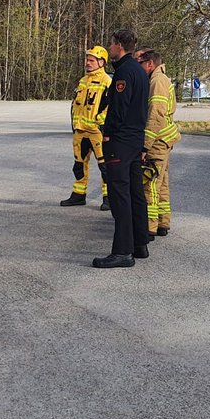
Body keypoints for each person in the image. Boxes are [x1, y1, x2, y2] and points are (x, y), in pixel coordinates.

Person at [92, 29, 150, 268]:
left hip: (121, 142)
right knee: (136, 193)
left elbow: (119, 109)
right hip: (135, 140)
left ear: (119, 46)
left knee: (120, 197)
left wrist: (107, 134)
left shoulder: (124, 72)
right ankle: (139, 244)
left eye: (111, 44)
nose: (109, 47)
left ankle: (122, 251)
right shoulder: (139, 70)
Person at [61, 46, 111, 209]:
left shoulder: (107, 82)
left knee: (105, 166)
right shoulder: (83, 81)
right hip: (80, 132)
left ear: (101, 62)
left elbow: (110, 107)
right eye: (87, 60)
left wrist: (101, 123)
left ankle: (108, 197)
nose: (87, 63)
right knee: (79, 165)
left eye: (91, 60)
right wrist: (75, 126)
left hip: (97, 132)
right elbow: (76, 106)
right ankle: (78, 195)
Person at [139, 49, 180, 238]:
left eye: (140, 63)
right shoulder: (161, 79)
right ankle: (163, 222)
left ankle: (150, 226)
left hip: (157, 140)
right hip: (164, 138)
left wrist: (145, 145)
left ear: (150, 64)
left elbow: (155, 114)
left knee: (150, 183)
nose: (138, 67)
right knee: (161, 183)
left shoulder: (156, 81)